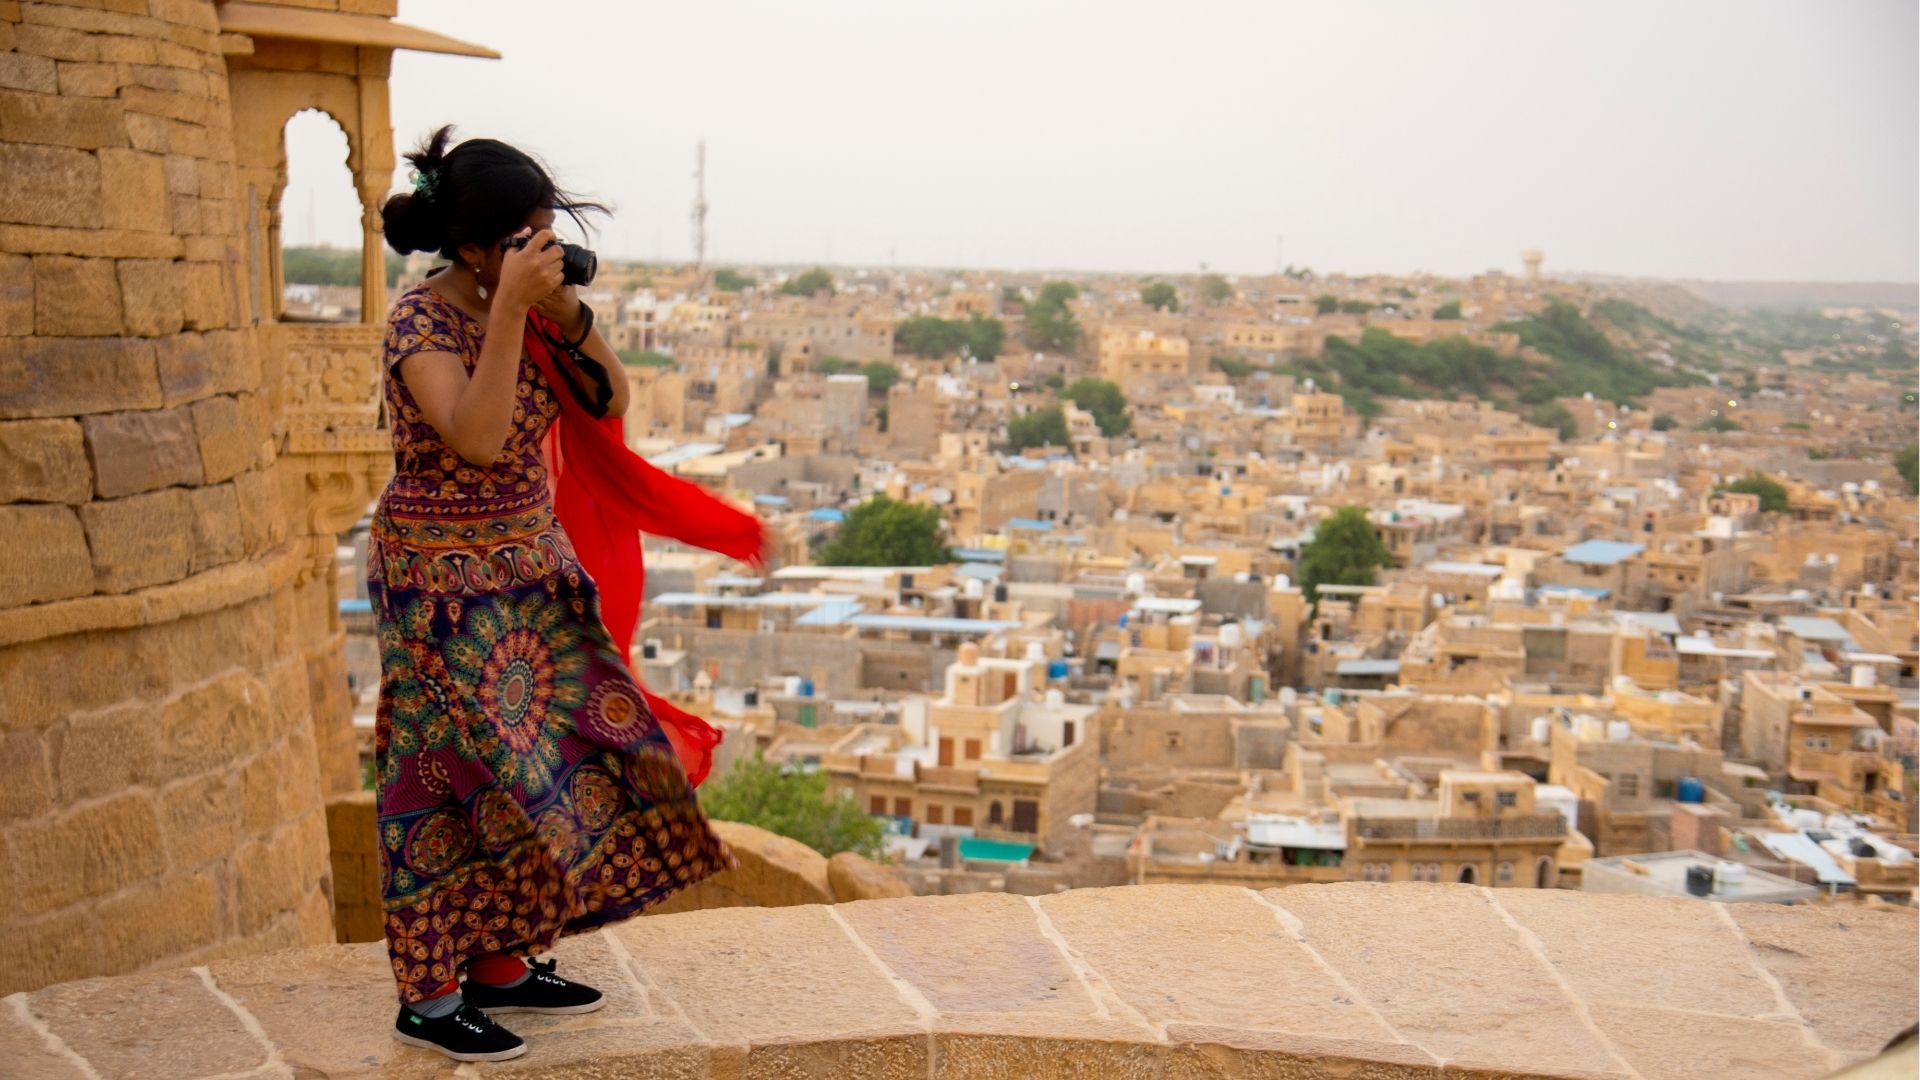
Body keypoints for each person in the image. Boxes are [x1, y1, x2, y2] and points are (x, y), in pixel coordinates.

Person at [371, 126, 766, 1062]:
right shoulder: (421, 323)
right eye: (527, 237)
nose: (544, 250)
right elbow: (475, 436)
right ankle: (429, 995)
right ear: (474, 247)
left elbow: (611, 400)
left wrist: (568, 314)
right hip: (438, 579)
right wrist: (511, 312)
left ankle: (501, 961)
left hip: (529, 565)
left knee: (549, 763)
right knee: (441, 777)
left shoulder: (530, 313)